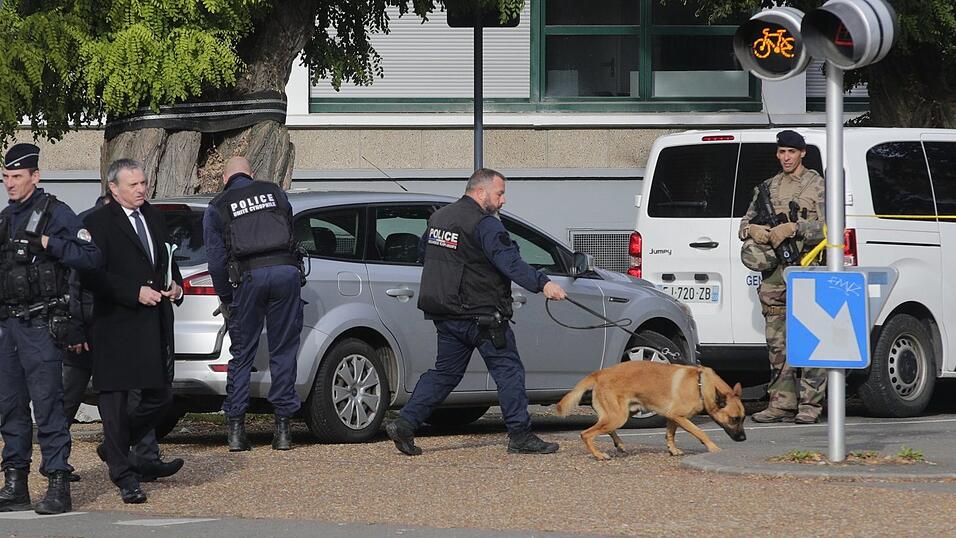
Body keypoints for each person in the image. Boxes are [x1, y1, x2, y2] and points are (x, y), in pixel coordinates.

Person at [385, 168, 567, 456]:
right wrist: (543, 284)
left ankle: (405, 424)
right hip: (483, 316)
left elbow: (424, 254)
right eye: (500, 194)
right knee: (508, 372)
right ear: (481, 192)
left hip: (447, 313)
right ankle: (520, 436)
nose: (503, 200)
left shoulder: (439, 218)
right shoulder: (486, 224)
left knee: (445, 373)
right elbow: (510, 263)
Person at [0, 143, 102, 514]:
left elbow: (91, 256)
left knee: (47, 406)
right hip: (9, 326)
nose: (10, 183)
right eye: (6, 177)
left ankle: (58, 482)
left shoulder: (56, 213)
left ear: (35, 176)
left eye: (17, 176)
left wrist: (48, 242)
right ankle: (15, 483)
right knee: (10, 406)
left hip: (41, 325)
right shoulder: (6, 218)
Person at [80, 159, 183, 504]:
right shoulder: (97, 223)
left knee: (161, 397)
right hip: (115, 325)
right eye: (133, 184)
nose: (141, 189)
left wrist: (176, 285)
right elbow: (91, 275)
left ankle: (115, 446)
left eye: (143, 183)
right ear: (114, 188)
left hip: (152, 325)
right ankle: (125, 477)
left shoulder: (152, 216)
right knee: (115, 402)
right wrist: (133, 292)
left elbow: (167, 258)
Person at [202, 156, 303, 452]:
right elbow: (291, 231)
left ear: (224, 179)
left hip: (248, 278)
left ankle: (236, 430)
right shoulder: (274, 192)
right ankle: (283, 431)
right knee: (283, 350)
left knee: (242, 352)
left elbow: (216, 262)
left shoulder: (218, 206)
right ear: (252, 174)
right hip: (286, 273)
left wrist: (226, 298)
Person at [738, 130, 827, 424]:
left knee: (811, 339)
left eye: (791, 152)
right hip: (775, 277)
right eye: (781, 152)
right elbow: (745, 223)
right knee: (778, 344)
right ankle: (781, 403)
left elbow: (831, 229)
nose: (786, 157)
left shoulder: (818, 185)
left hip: (808, 269)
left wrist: (795, 228)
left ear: (802, 153)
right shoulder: (767, 187)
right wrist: (753, 230)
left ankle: (810, 405)